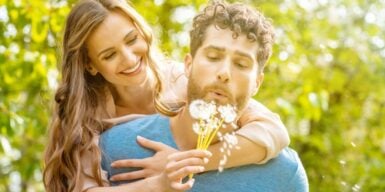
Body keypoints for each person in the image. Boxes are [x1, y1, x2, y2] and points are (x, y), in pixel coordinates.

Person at [42, 0, 290, 191]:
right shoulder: (84, 118)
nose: (129, 58)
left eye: (132, 40)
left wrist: (187, 162)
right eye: (109, 55)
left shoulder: (185, 80)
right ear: (90, 65)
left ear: (143, 31)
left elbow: (273, 131)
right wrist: (156, 184)